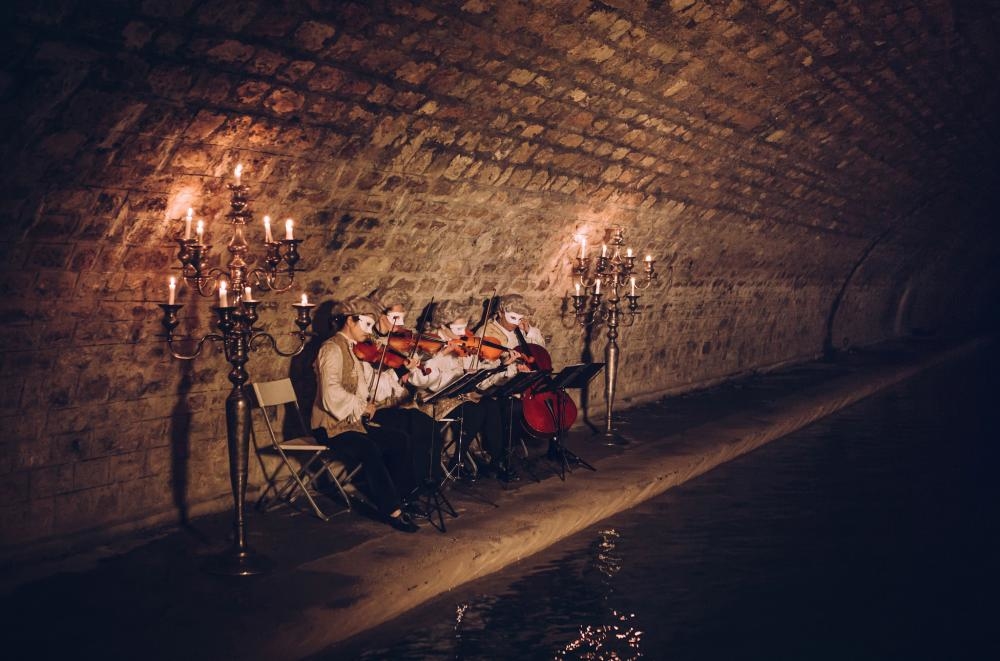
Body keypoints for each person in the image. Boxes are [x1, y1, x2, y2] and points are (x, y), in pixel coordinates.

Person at [311, 296, 419, 533]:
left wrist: (399, 371)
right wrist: (361, 407)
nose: (370, 331)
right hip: (330, 426)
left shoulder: (357, 350)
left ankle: (405, 498)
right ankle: (393, 510)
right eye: (366, 324)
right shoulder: (330, 349)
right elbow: (330, 392)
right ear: (350, 321)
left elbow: (370, 384)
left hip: (354, 423)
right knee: (369, 448)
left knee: (399, 439)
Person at [405, 300, 512, 479]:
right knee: (475, 411)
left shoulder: (461, 343)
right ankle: (457, 461)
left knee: (490, 405)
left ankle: (493, 460)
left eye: (465, 327)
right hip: (433, 399)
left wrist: (500, 366)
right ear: (442, 325)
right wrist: (441, 356)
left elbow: (475, 370)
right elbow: (424, 382)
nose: (463, 333)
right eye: (458, 329)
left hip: (458, 395)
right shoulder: (429, 344)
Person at [479, 294, 547, 481]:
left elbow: (539, 353)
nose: (515, 323)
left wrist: (530, 332)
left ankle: (536, 445)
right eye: (512, 318)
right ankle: (502, 456)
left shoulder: (520, 330)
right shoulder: (487, 332)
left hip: (520, 383)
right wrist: (512, 368)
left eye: (520, 319)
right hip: (496, 386)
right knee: (514, 407)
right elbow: (486, 368)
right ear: (501, 311)